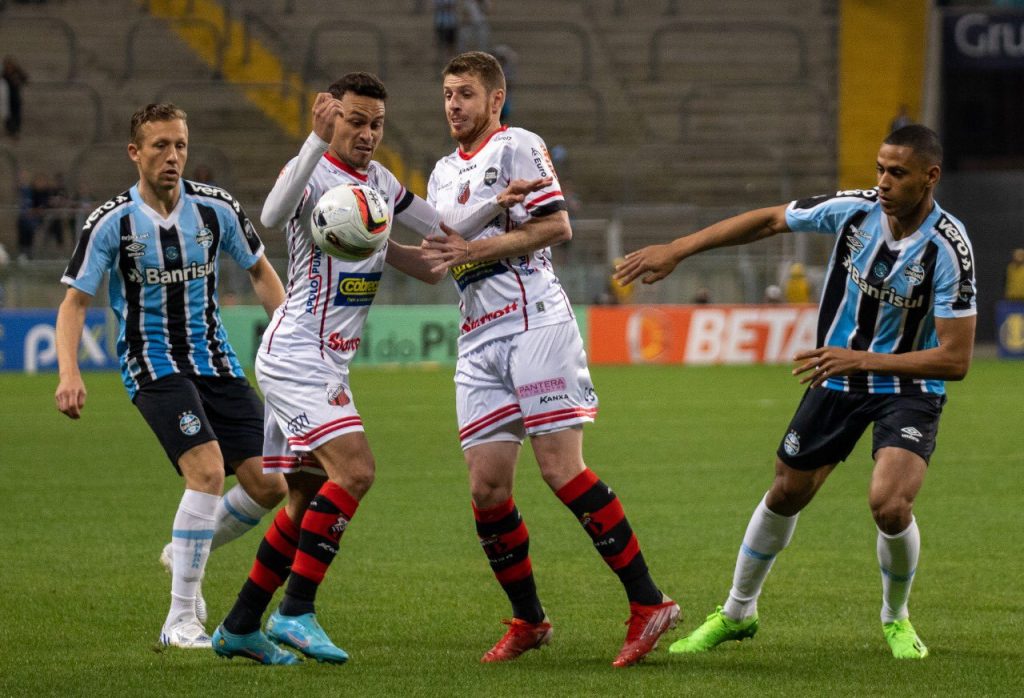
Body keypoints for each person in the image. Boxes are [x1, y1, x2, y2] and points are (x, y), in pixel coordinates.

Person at [210, 71, 547, 665]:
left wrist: (496, 206)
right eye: (356, 121)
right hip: (295, 355)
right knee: (357, 472)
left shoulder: (384, 183)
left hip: (328, 364)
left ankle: (240, 626)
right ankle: (296, 613)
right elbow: (270, 214)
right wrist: (311, 142)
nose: (367, 134)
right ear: (331, 116)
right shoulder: (311, 172)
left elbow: (437, 240)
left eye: (376, 124)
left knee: (304, 496)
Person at [615, 124, 976, 660]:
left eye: (896, 173)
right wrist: (679, 249)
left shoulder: (949, 249)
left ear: (930, 177)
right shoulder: (854, 210)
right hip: (836, 374)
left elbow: (955, 358)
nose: (882, 181)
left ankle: (895, 618)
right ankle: (738, 612)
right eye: (879, 168)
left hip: (908, 384)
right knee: (786, 492)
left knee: (890, 505)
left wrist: (863, 357)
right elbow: (767, 220)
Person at [422, 52, 679, 668]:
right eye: (448, 94)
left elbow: (555, 226)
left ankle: (650, 604)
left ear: (495, 97)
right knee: (486, 490)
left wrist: (470, 248)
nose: (454, 104)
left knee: (562, 470)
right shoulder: (437, 173)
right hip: (477, 336)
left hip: (534, 319)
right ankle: (530, 621)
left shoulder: (518, 145)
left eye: (466, 94)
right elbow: (442, 250)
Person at [55, 103, 289, 649]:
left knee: (270, 484)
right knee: (206, 472)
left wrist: (289, 340)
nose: (173, 157)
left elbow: (259, 270)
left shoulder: (215, 209)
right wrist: (70, 373)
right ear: (135, 152)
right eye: (160, 146)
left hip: (216, 361)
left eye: (180, 145)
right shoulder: (111, 222)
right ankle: (181, 617)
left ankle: (182, 545)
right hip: (153, 364)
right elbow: (74, 303)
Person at [2, 55, 28, 138]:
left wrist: (18, 80)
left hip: (15, 97)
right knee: (8, 114)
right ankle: (10, 130)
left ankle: (16, 129)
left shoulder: (17, 71)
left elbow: (25, 78)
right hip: (6, 98)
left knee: (16, 113)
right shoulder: (4, 74)